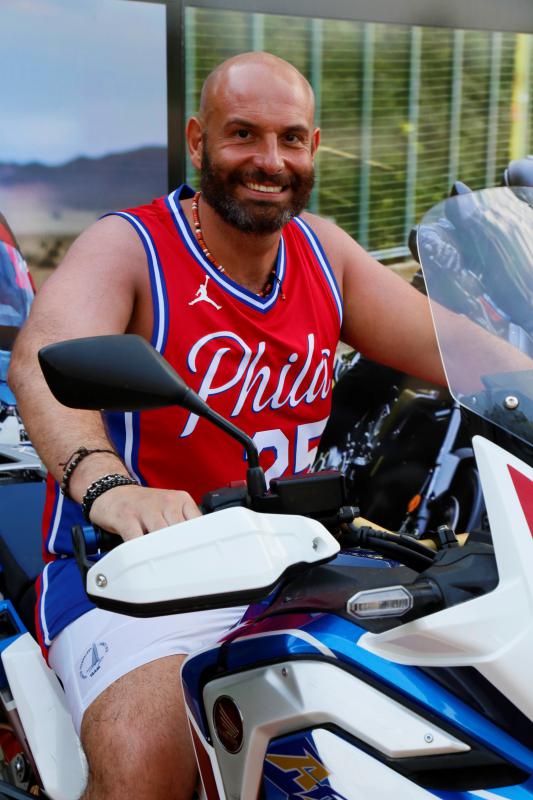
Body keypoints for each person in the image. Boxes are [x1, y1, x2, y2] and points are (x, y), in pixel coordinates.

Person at [9, 52, 445, 800]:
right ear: (198, 140)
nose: (269, 161)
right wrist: (112, 488)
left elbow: (463, 353)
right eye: (243, 134)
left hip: (291, 562)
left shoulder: (325, 254)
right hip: (130, 576)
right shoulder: (132, 246)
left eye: (290, 138)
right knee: (147, 760)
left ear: (312, 147)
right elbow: (40, 363)